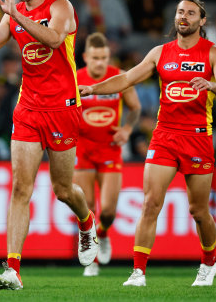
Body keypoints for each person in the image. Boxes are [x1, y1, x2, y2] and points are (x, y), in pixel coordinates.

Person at [0, 0, 99, 290]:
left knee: (63, 189)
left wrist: (16, 16)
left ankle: (86, 223)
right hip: (28, 109)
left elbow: (54, 39)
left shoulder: (61, 7)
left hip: (63, 108)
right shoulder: (13, 13)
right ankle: (13, 269)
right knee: (20, 189)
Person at [79, 0, 216, 287]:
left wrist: (211, 84)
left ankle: (209, 263)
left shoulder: (214, 53)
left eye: (190, 13)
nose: (183, 17)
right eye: (179, 11)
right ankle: (138, 272)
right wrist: (93, 88)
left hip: (198, 138)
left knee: (199, 211)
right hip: (164, 136)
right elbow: (126, 79)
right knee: (150, 203)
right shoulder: (160, 52)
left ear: (202, 21)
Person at [75, 32, 141, 277]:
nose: (100, 63)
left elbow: (135, 109)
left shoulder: (119, 77)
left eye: (104, 57)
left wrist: (127, 129)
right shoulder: (76, 78)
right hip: (83, 148)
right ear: (85, 57)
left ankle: (102, 235)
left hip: (110, 148)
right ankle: (91, 260)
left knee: (110, 211)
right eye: (95, 58)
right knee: (88, 207)